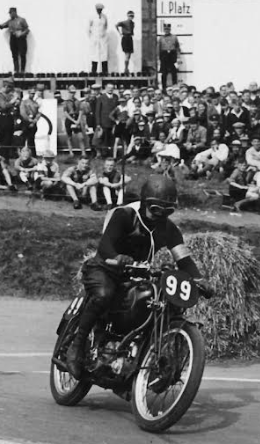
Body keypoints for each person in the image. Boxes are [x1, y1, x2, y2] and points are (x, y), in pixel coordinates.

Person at [66, 175, 208, 378]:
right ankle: (77, 346)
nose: (161, 215)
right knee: (104, 294)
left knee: (152, 303)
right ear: (144, 203)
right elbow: (105, 245)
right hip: (104, 269)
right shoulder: (124, 215)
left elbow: (183, 259)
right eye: (156, 209)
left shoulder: (169, 229)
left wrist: (199, 280)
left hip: (135, 275)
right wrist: (117, 257)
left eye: (168, 210)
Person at [0, 7, 30, 73]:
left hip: (21, 38)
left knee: (22, 54)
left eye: (11, 13)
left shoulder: (21, 20)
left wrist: (21, 34)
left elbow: (27, 30)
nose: (10, 14)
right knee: (14, 54)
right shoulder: (10, 21)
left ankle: (22, 70)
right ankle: (16, 70)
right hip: (13, 38)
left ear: (14, 12)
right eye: (9, 13)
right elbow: (4, 25)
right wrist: (1, 26)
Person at [87, 3, 109, 75]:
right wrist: (92, 37)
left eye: (101, 9)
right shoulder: (92, 17)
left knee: (104, 54)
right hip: (95, 38)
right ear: (96, 9)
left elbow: (106, 26)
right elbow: (88, 28)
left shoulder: (104, 17)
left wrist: (103, 34)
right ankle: (93, 71)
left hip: (102, 38)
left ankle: (105, 71)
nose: (99, 10)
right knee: (94, 54)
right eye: (98, 9)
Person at [158, 23, 181, 89]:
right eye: (165, 29)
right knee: (164, 73)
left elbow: (177, 48)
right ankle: (164, 88)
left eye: (168, 29)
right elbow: (158, 49)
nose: (166, 30)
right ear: (164, 30)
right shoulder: (161, 38)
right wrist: (158, 59)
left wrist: (178, 57)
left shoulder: (174, 37)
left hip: (172, 55)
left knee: (174, 72)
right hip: (164, 55)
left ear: (170, 29)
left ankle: (175, 87)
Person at [19, 87, 40, 152]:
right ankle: (21, 153)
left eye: (33, 93)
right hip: (25, 123)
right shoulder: (24, 102)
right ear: (29, 93)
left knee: (31, 139)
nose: (32, 95)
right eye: (31, 93)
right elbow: (22, 113)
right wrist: (28, 119)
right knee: (23, 139)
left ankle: (32, 153)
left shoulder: (35, 103)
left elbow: (38, 113)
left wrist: (35, 120)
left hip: (33, 122)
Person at [115, 10, 136, 75]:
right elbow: (116, 25)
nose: (131, 17)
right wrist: (120, 33)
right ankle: (126, 69)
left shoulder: (133, 23)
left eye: (132, 16)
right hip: (125, 38)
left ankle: (126, 68)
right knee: (127, 54)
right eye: (130, 16)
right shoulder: (124, 22)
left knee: (129, 55)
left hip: (130, 38)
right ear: (127, 16)